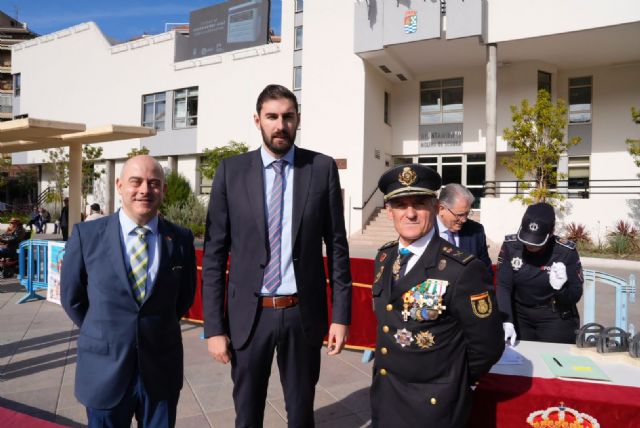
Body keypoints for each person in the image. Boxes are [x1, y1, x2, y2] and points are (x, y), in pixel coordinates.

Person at [202, 84, 352, 427]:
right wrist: (213, 328)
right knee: (247, 413)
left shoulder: (321, 168)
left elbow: (338, 247)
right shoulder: (230, 171)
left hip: (302, 314)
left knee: (301, 415)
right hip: (249, 316)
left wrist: (341, 316)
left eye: (288, 116)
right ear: (257, 121)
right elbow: (214, 254)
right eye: (272, 116)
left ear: (298, 119)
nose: (280, 124)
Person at [60, 155, 197, 427]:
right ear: (120, 185)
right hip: (104, 370)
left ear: (164, 190)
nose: (145, 189)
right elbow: (72, 298)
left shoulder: (181, 239)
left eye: (154, 183)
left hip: (160, 370)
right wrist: (104, 329)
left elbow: (184, 298)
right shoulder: (87, 236)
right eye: (136, 182)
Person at [370, 164, 504, 428]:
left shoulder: (462, 268)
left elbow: (487, 345)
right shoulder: (385, 258)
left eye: (419, 203)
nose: (410, 213)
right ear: (389, 211)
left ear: (434, 206)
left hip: (434, 407)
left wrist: (451, 382)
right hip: (387, 397)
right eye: (400, 204)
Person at [496, 202, 583, 345]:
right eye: (527, 239)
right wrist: (506, 319)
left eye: (537, 242)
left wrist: (561, 288)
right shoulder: (511, 246)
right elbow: (503, 285)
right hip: (520, 313)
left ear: (551, 231)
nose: (530, 245)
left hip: (554, 315)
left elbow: (575, 294)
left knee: (554, 361)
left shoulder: (565, 252)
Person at [437, 183, 493, 281]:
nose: (464, 220)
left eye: (467, 213)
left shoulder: (476, 231)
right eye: (460, 215)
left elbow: (485, 269)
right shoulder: (425, 230)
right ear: (441, 209)